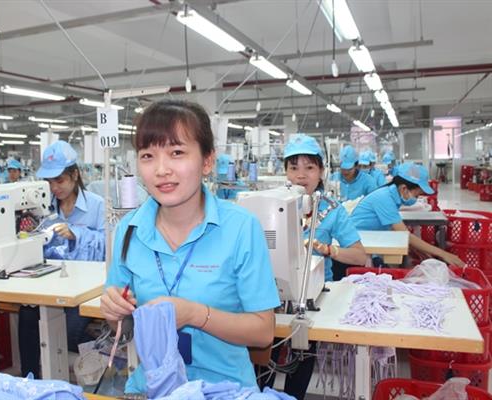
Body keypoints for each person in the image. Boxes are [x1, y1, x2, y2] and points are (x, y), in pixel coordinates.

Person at [100, 100, 280, 393]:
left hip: (223, 390)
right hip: (153, 388)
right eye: (148, 156)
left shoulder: (240, 228)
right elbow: (126, 328)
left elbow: (263, 332)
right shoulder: (129, 230)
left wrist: (195, 315)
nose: (161, 170)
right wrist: (114, 314)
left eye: (177, 153)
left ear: (207, 161)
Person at [260, 135, 366, 399]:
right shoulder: (270, 207)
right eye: (293, 167)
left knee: (302, 356)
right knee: (264, 357)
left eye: (309, 167)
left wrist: (328, 249)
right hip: (273, 295)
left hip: (311, 298)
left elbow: (359, 256)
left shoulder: (331, 211)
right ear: (285, 172)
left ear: (321, 172)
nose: (301, 175)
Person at [18, 140, 106, 379]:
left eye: (59, 180)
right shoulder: (43, 207)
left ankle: (102, 356)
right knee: (27, 315)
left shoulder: (97, 206)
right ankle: (29, 379)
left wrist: (77, 234)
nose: (54, 188)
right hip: (51, 283)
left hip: (85, 288)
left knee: (66, 332)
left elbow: (109, 244)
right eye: (49, 182)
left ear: (74, 175)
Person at [350, 162, 465, 267]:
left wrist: (418, 249)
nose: (416, 199)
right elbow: (405, 234)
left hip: (367, 243)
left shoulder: (391, 196)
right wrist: (443, 254)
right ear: (404, 189)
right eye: (416, 195)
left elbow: (395, 229)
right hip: (354, 248)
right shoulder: (384, 198)